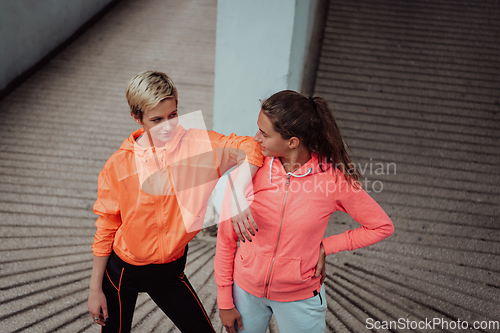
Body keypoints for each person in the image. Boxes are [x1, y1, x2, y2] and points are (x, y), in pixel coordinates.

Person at [87, 70, 263, 333]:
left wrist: (238, 192)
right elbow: (107, 225)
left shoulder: (199, 146)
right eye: (157, 119)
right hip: (124, 271)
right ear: (137, 118)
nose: (168, 126)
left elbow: (250, 146)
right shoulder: (119, 165)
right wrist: (94, 289)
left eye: (173, 115)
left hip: (169, 271)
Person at [214, 90, 394, 333]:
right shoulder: (250, 171)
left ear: (293, 142)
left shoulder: (332, 180)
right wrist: (225, 300)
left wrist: (325, 247)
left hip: (299, 297)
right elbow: (226, 238)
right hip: (245, 292)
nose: (255, 138)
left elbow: (381, 226)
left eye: (264, 134)